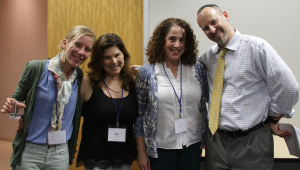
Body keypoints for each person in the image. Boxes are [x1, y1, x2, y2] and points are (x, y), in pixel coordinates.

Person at [196, 4, 299, 170]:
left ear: (225, 15)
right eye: (205, 28)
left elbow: (289, 87)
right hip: (216, 143)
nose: (212, 29)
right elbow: (182, 71)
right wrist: (147, 71)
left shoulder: (257, 48)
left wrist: (273, 118)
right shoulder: (207, 57)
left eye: (214, 22)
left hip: (253, 142)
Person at [0, 25, 96, 169]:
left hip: (60, 152)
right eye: (77, 44)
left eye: (87, 49)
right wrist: (13, 105)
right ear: (65, 43)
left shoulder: (79, 77)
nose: (81, 52)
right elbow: (16, 100)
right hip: (30, 151)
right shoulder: (35, 68)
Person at [134, 18, 209, 170]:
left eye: (182, 40)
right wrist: (141, 152)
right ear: (161, 41)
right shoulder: (146, 73)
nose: (177, 45)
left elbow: (206, 103)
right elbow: (140, 115)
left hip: (193, 144)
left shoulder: (198, 69)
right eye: (172, 39)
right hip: (160, 147)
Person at [76, 33, 138, 170]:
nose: (114, 61)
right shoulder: (88, 82)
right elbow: (71, 115)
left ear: (124, 55)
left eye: (117, 55)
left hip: (124, 156)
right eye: (107, 58)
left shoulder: (133, 82)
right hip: (96, 157)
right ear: (99, 60)